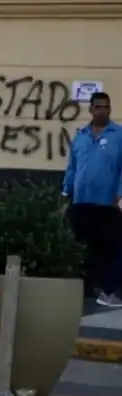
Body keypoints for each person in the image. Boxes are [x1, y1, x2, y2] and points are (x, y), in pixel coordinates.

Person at [62, 91, 122, 306]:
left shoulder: (119, 135)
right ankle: (87, 290)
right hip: (81, 201)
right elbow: (72, 167)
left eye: (106, 107)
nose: (102, 111)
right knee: (83, 247)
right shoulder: (81, 136)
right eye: (98, 107)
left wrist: (119, 194)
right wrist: (65, 192)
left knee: (111, 247)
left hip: (108, 203)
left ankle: (109, 291)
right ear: (91, 109)